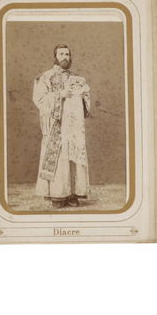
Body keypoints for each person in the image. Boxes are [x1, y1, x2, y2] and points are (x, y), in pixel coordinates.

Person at [33, 44, 93, 207]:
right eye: (61, 54)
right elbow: (39, 99)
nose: (65, 57)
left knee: (74, 157)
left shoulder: (76, 78)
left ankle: (73, 194)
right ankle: (57, 195)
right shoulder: (45, 77)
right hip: (56, 124)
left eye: (67, 54)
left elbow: (85, 105)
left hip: (73, 127)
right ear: (55, 57)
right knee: (59, 159)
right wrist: (60, 94)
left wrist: (84, 95)